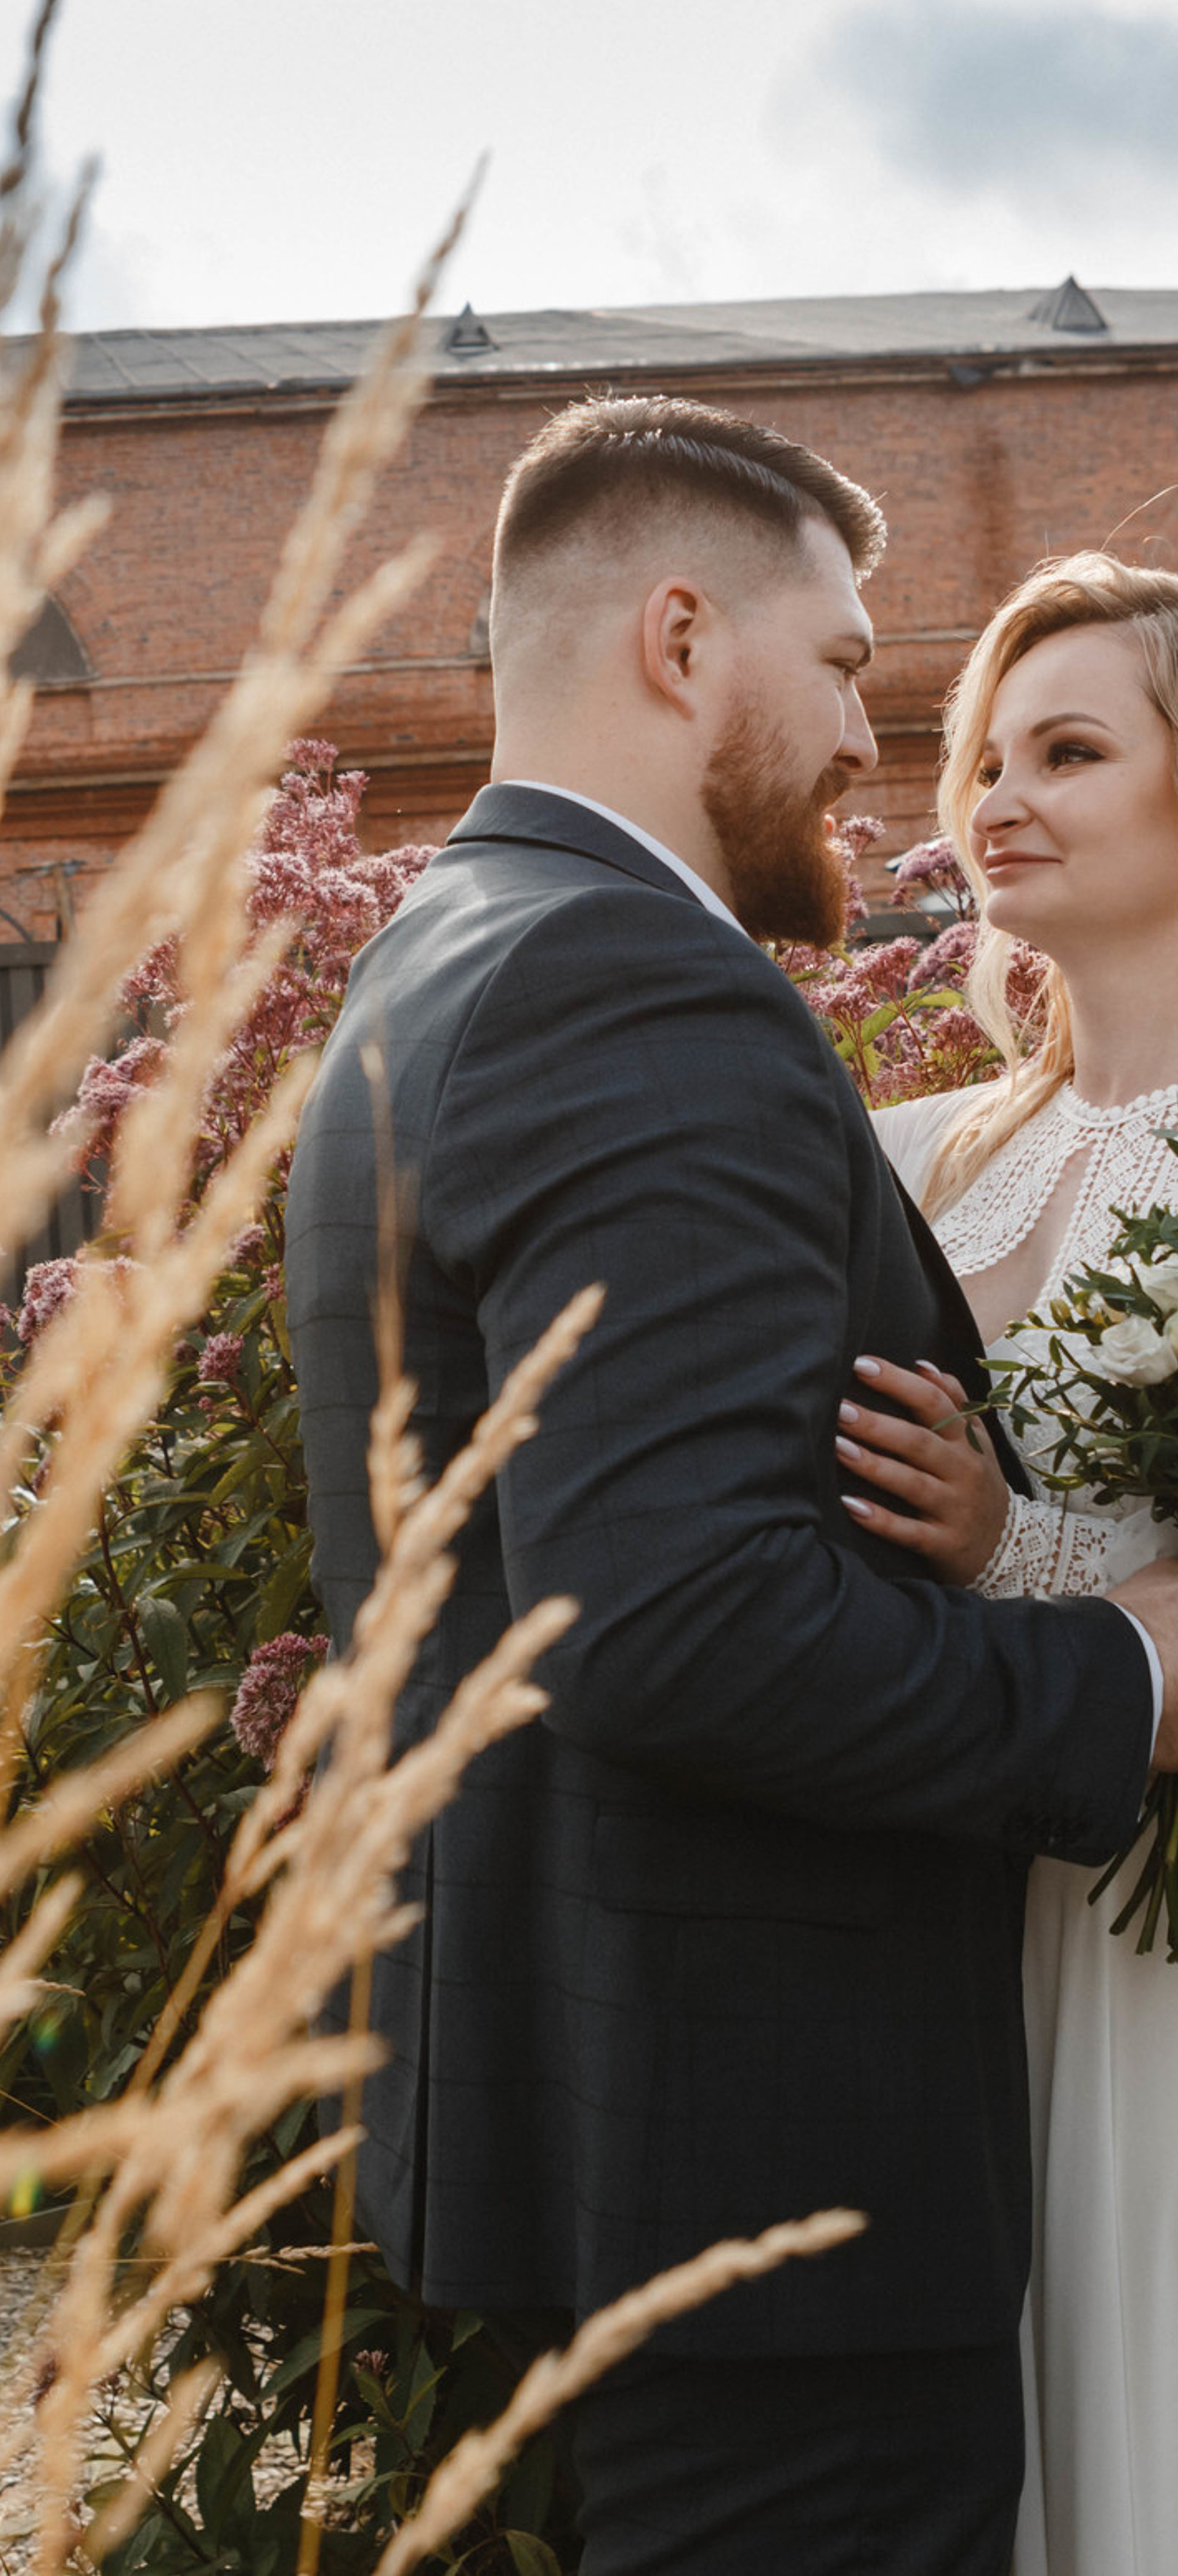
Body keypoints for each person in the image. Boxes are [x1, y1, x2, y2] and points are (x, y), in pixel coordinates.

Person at [282, 395, 1178, 2576]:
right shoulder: (628, 983)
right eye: (861, 669)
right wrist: (1131, 1674)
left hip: (677, 2128)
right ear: (683, 640)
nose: (902, 750)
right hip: (777, 2163)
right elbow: (682, 1623)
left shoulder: (452, 945)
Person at [837, 551, 1178, 2576]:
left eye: (1068, 749)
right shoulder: (910, 1157)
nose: (996, 798)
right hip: (943, 1911)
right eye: (984, 753)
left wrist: (1009, 1540)